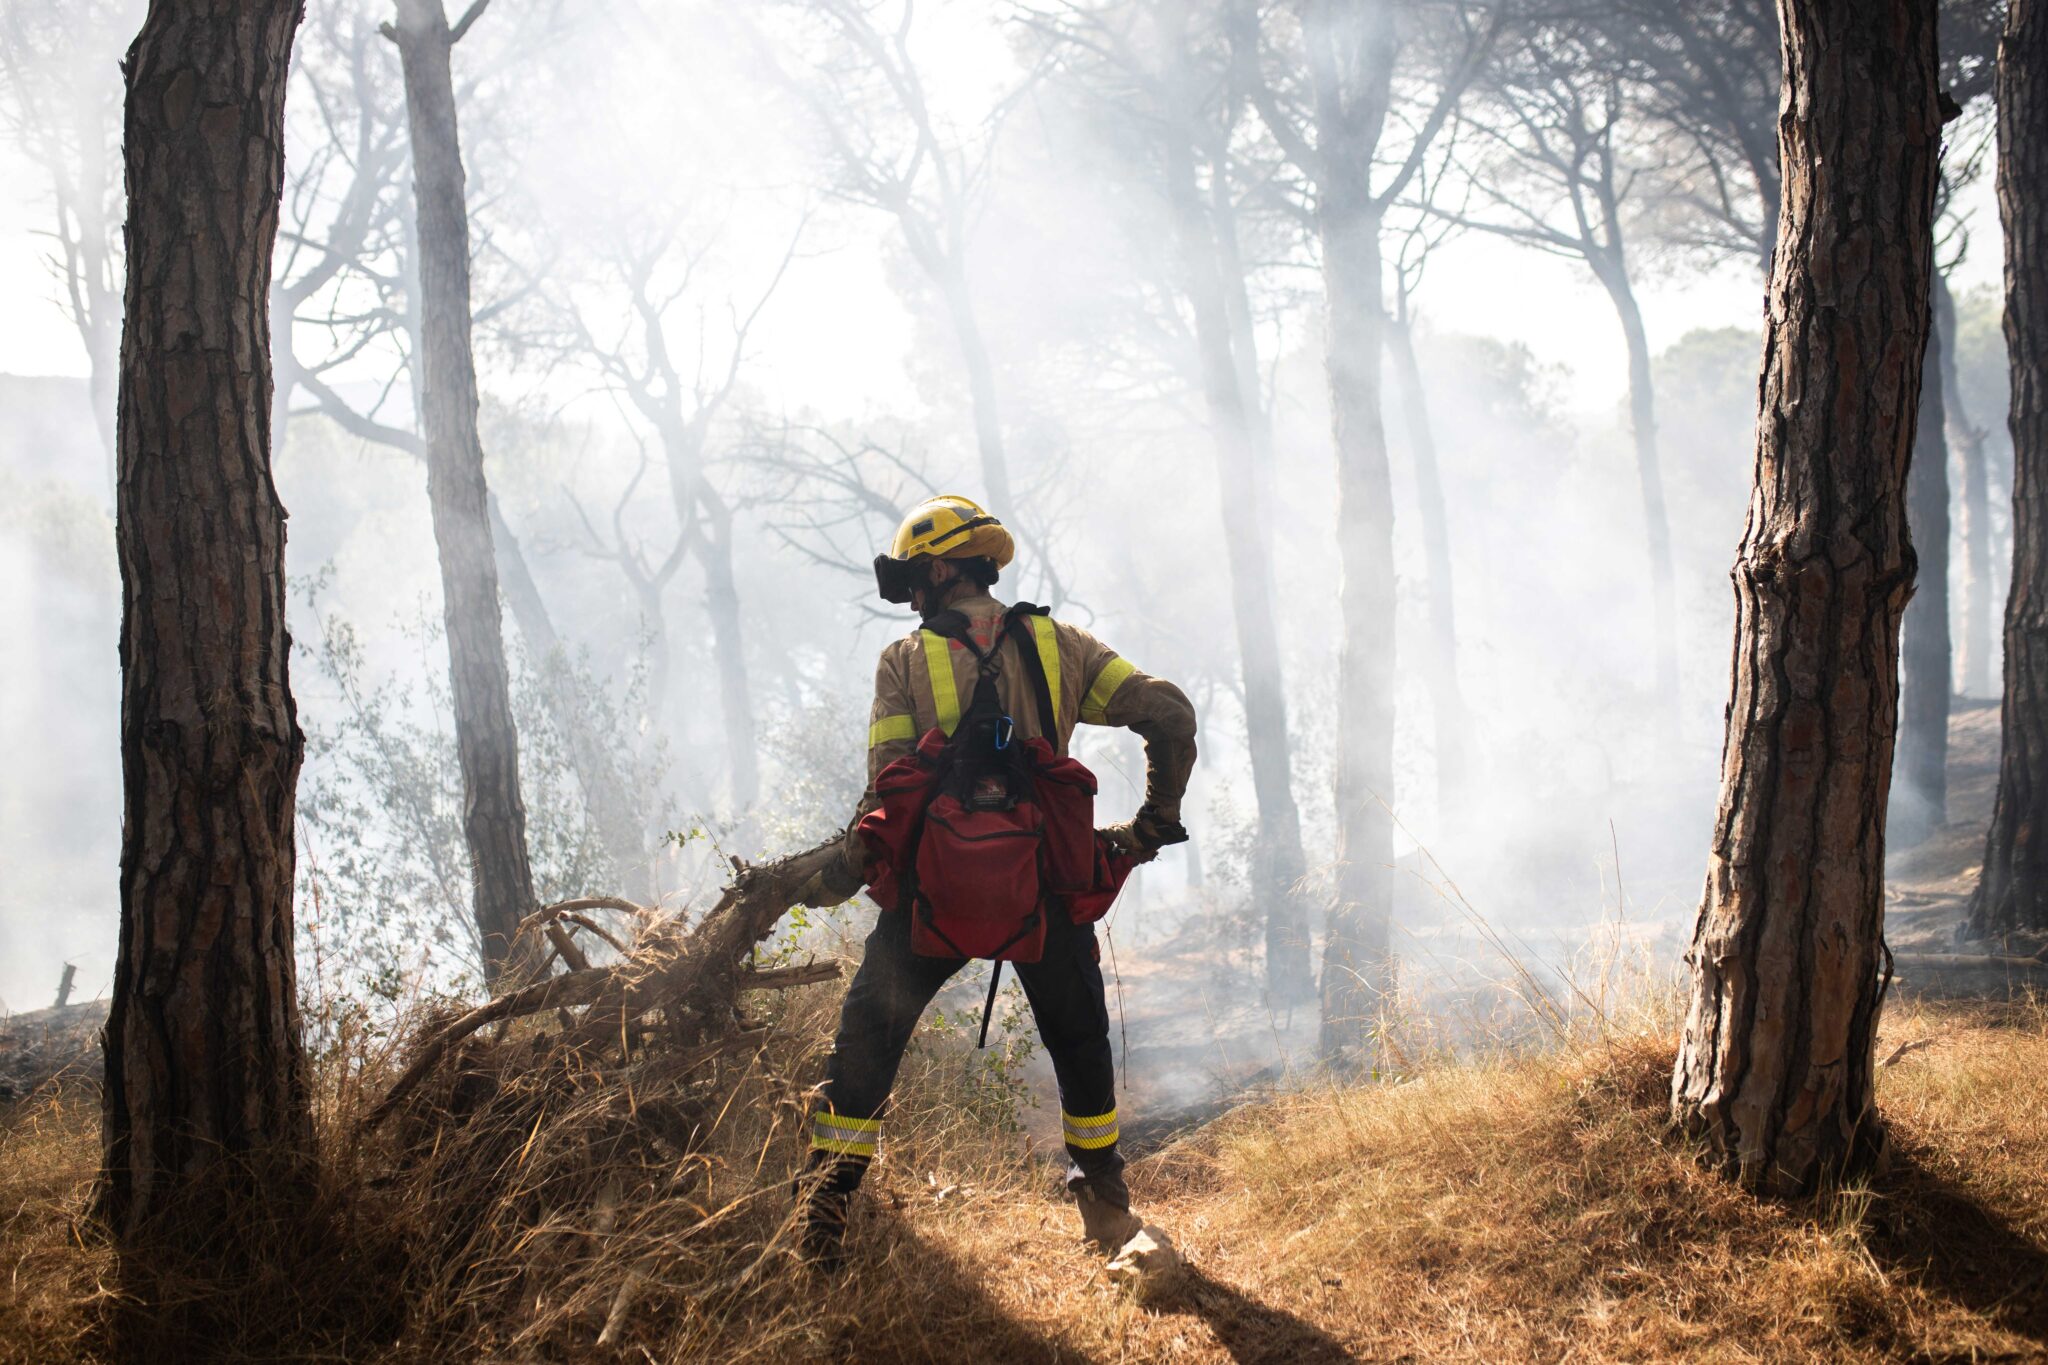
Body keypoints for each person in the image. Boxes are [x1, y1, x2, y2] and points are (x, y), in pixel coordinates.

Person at [793, 493, 1198, 1268]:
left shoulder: (905, 662)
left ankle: (822, 1220)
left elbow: (884, 793)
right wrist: (1148, 828)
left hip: (929, 903)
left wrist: (842, 872)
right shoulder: (1063, 645)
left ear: (944, 567)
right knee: (1079, 1042)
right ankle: (1107, 1212)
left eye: (915, 576)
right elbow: (1170, 715)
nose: (912, 594)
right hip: (1045, 895)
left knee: (867, 1044)